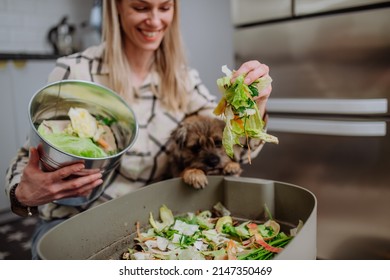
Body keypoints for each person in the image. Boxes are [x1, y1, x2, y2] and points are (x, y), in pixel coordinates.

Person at [4, 0, 272, 259]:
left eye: (165, 7)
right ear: (117, 7)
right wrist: (23, 194)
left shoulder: (182, 80)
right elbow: (31, 157)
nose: (155, 20)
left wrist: (252, 105)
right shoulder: (77, 70)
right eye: (141, 7)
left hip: (148, 224)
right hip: (74, 222)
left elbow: (231, 145)